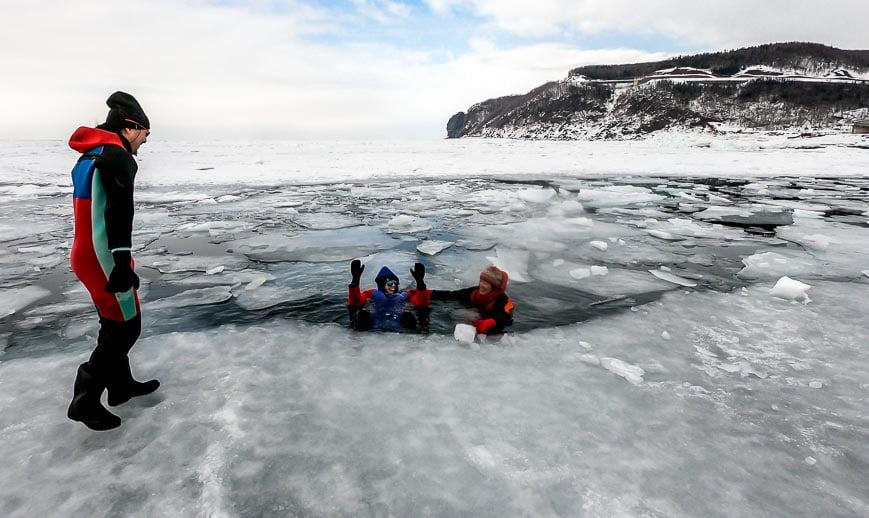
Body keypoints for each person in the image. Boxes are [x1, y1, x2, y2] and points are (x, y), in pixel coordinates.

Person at [66, 91, 159, 431]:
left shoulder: (91, 155)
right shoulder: (118, 157)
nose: (146, 139)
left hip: (88, 252)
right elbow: (119, 211)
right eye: (146, 131)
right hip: (104, 255)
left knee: (114, 322)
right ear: (131, 126)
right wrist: (120, 261)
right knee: (126, 327)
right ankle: (85, 397)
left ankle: (120, 386)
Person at [426, 265, 514, 335]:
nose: (481, 285)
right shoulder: (474, 292)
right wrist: (429, 293)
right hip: (474, 320)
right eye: (481, 281)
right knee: (457, 313)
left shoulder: (503, 301)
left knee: (472, 315)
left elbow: (503, 318)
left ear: (494, 288)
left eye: (486, 283)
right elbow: (452, 295)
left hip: (490, 329)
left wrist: (490, 322)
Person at [347, 259, 430, 332]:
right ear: (382, 285)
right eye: (390, 283)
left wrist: (420, 284)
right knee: (362, 313)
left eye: (395, 283)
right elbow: (356, 302)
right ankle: (360, 330)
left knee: (410, 315)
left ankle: (412, 333)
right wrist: (355, 282)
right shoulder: (372, 294)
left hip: (399, 322)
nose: (393, 285)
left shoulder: (404, 295)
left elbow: (421, 303)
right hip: (375, 321)